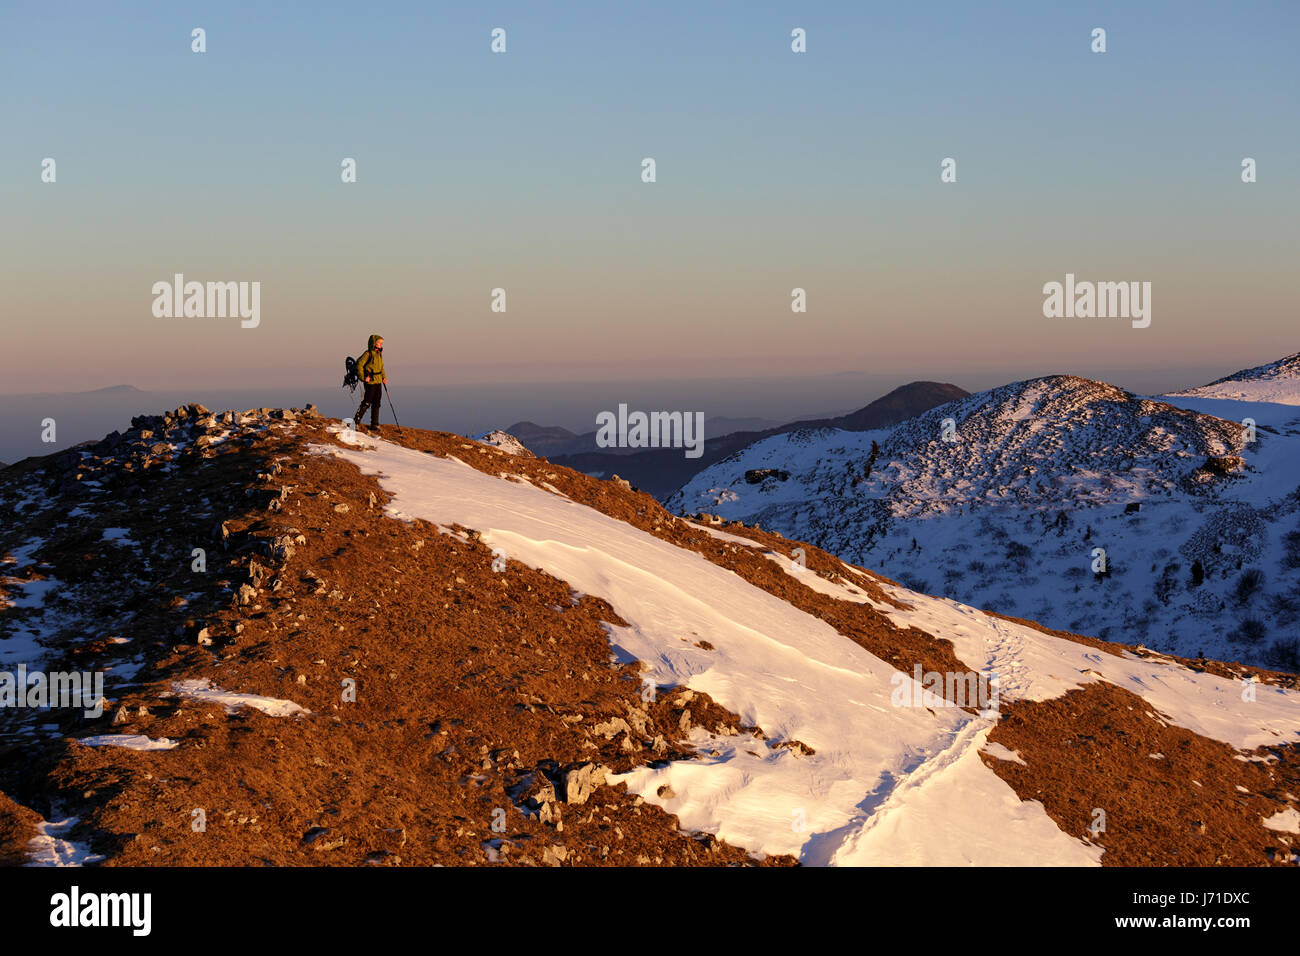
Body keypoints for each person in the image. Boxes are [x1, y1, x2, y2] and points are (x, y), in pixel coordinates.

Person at [353, 334, 387, 432]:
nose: (381, 345)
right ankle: (355, 422)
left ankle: (374, 424)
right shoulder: (368, 354)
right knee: (367, 402)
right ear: (374, 343)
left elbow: (381, 367)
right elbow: (359, 365)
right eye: (379, 343)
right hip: (370, 381)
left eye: (381, 343)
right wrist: (363, 378)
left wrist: (384, 377)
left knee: (377, 403)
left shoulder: (379, 354)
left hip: (378, 381)